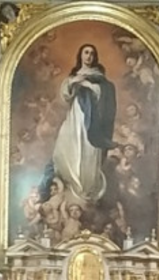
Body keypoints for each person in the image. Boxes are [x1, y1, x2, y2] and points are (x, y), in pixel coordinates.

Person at [51, 43, 116, 205]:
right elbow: (65, 95)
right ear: (80, 55)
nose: (89, 56)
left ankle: (86, 191)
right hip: (75, 118)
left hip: (92, 122)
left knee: (88, 151)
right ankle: (72, 187)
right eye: (86, 52)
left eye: (92, 53)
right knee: (69, 148)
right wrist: (74, 82)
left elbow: (102, 96)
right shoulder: (73, 77)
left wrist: (88, 85)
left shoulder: (99, 78)